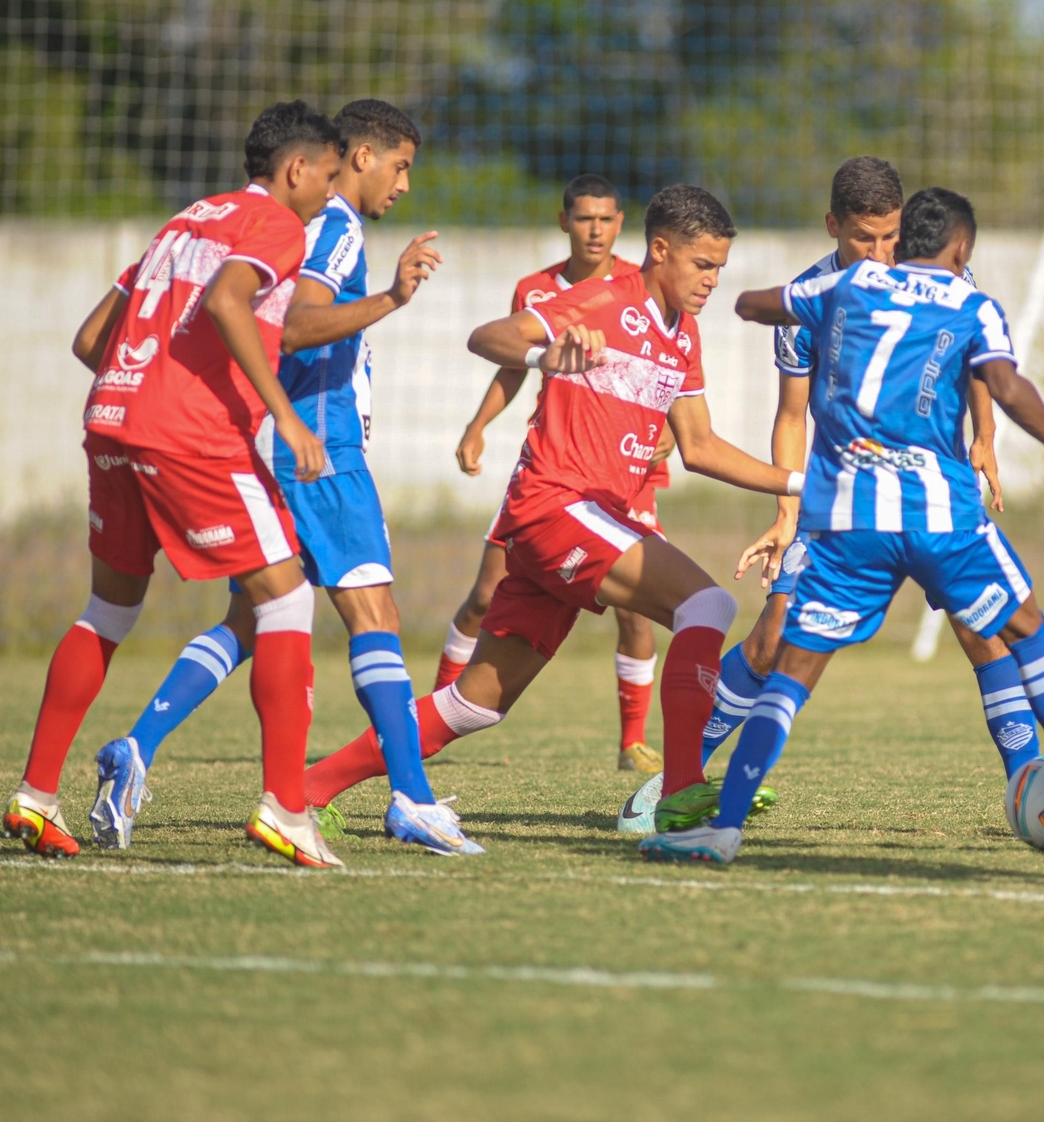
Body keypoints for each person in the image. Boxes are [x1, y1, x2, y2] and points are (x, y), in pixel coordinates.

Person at [640, 187, 1044, 866]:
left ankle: (722, 828)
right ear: (960, 248)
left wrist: (778, 305)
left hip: (854, 518)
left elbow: (752, 304)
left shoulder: (841, 286)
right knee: (1028, 635)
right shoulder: (973, 303)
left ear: (904, 240)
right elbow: (1008, 384)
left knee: (793, 673)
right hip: (940, 514)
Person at [299, 185, 798, 834]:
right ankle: (680, 787)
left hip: (588, 518)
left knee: (475, 704)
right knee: (708, 606)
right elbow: (487, 337)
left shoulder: (684, 334)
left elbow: (699, 448)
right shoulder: (602, 299)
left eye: (719, 269)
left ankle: (306, 789)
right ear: (660, 249)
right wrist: (546, 354)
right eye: (702, 265)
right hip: (557, 506)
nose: (712, 280)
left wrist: (800, 483)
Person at [82, 100, 479, 857]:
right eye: (399, 167)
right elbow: (297, 324)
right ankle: (412, 799)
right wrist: (391, 300)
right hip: (321, 447)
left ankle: (136, 746)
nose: (403, 185)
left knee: (252, 619)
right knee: (375, 613)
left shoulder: (307, 224)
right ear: (359, 158)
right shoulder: (336, 227)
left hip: (278, 445)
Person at [2, 101, 346, 867]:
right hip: (189, 433)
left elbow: (91, 339)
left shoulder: (183, 223)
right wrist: (283, 415)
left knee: (108, 610)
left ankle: (36, 794)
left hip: (112, 418)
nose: (330, 193)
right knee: (286, 598)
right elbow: (227, 300)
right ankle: (287, 808)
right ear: (295, 169)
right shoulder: (276, 225)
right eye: (327, 176)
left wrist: (144, 390)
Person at [682, 158, 1044, 805]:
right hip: (841, 498)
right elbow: (791, 415)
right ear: (834, 227)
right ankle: (680, 776)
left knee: (982, 630)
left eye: (890, 237)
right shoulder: (808, 299)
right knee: (772, 639)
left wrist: (985, 436)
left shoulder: (938, 279)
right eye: (864, 239)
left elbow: (979, 364)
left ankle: (1032, 786)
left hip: (931, 490)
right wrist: (786, 512)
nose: (881, 254)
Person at [438, 174, 671, 775]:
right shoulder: (535, 290)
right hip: (554, 467)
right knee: (485, 595)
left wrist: (668, 436)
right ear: (565, 221)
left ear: (621, 224)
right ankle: (437, 708)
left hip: (625, 471)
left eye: (606, 218)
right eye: (584, 218)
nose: (595, 229)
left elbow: (671, 377)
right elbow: (513, 363)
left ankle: (633, 742)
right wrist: (478, 425)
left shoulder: (639, 286)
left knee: (637, 608)